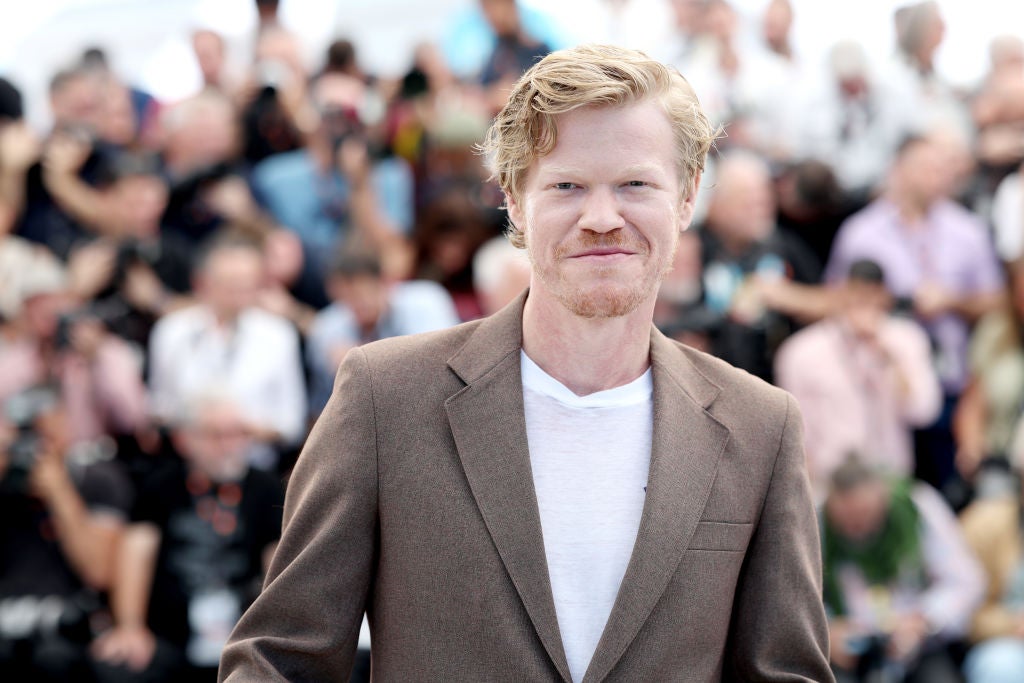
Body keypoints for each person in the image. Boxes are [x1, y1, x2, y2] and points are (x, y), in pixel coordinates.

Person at [220, 44, 832, 682]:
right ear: (514, 198)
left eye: (635, 184)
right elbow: (278, 662)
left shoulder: (761, 427)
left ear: (686, 196)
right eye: (566, 185)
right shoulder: (385, 398)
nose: (602, 218)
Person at [92, 392, 283, 682]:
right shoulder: (160, 486)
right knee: (119, 667)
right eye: (215, 435)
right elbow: (135, 551)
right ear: (185, 440)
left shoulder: (266, 489)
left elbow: (278, 560)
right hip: (171, 633)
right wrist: (130, 627)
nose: (229, 445)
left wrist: (277, 633)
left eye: (238, 434)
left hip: (244, 635)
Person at [776, 259, 942, 502]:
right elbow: (794, 433)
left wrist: (887, 356)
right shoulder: (801, 352)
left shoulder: (906, 340)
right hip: (827, 487)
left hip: (891, 485)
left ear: (885, 296)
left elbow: (923, 412)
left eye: (872, 297)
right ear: (839, 292)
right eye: (856, 296)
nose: (864, 307)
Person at [822, 456, 985, 683]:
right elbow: (794, 598)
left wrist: (923, 620)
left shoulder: (917, 507)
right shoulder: (816, 518)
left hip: (917, 644)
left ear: (882, 495)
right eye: (847, 519)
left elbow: (966, 581)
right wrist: (825, 629)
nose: (856, 527)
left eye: (864, 515)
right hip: (847, 648)